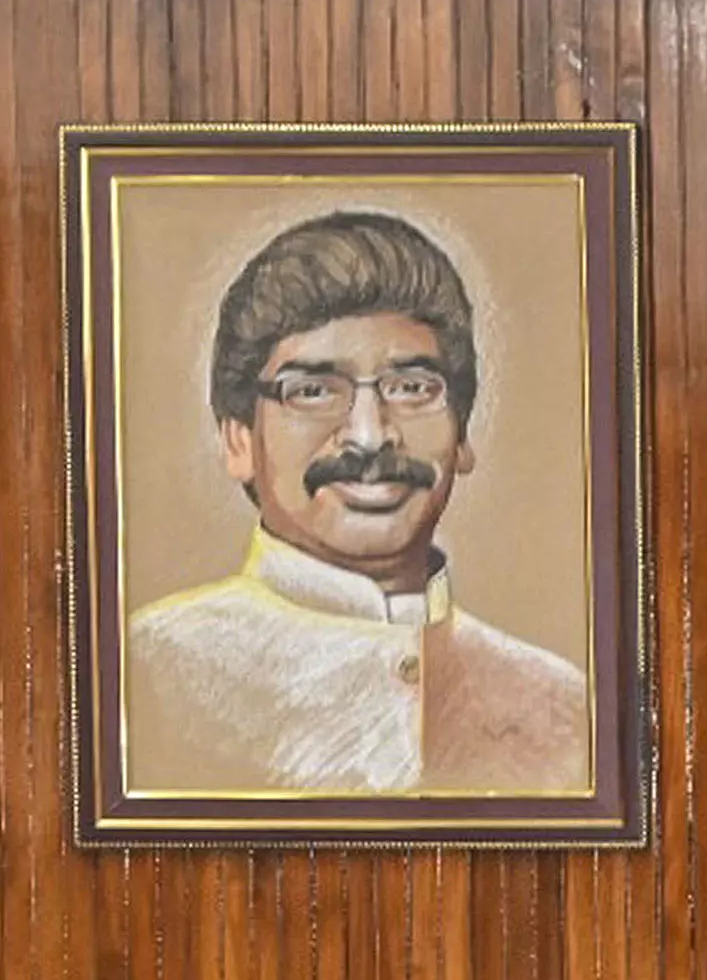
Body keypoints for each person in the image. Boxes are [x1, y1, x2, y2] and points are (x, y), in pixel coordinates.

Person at [120, 210, 594, 799]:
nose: (370, 436)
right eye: (314, 391)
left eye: (412, 387)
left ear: (463, 432)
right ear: (239, 439)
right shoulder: (142, 675)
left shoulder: (562, 708)